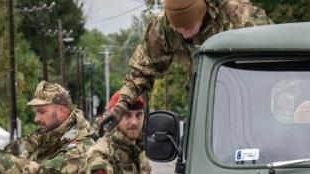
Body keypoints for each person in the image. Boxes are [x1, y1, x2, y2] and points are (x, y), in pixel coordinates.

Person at [98, 0, 272, 134]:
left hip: (253, 106)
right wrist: (121, 106)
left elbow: (281, 62)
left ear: (203, 12)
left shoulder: (240, 17)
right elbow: (141, 71)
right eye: (177, 28)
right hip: (206, 109)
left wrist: (293, 106)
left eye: (188, 26)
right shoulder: (163, 26)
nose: (183, 33)